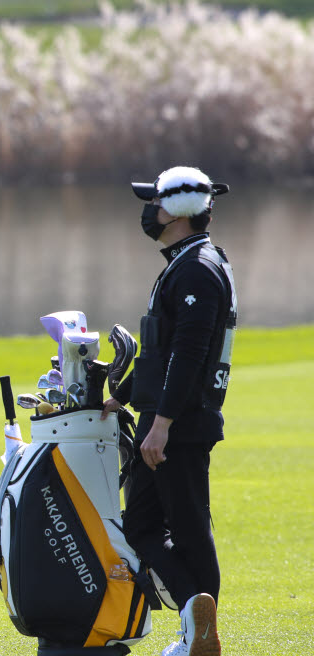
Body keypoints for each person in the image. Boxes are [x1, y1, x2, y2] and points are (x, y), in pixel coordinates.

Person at [101, 166, 236, 656]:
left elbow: (189, 354)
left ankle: (199, 633)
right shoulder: (185, 262)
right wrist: (120, 396)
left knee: (188, 530)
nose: (148, 211)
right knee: (140, 525)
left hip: (177, 426)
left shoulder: (198, 267)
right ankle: (194, 620)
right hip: (165, 421)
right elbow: (160, 352)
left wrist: (160, 426)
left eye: (154, 202)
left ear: (176, 211)